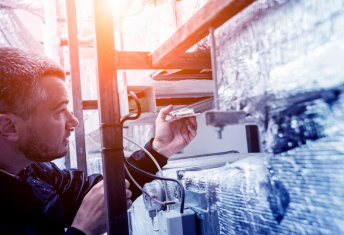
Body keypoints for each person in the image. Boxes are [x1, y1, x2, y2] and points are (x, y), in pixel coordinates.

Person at [0, 47, 197, 235]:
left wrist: (158, 149)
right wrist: (83, 230)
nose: (74, 121)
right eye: (60, 111)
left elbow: (102, 192)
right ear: (9, 127)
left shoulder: (35, 172)